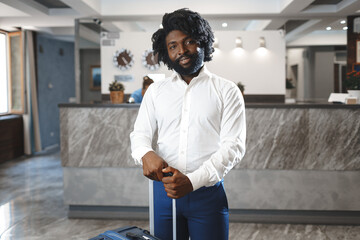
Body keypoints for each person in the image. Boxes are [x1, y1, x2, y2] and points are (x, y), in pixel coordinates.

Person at [130, 8, 246, 240]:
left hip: (207, 194)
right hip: (163, 193)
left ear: (202, 42)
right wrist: (145, 153)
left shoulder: (227, 91)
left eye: (189, 41)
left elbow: (233, 147)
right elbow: (140, 134)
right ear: (166, 52)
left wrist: (192, 182)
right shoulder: (155, 91)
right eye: (173, 46)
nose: (181, 50)